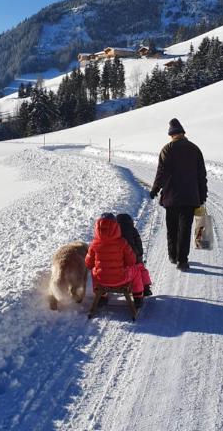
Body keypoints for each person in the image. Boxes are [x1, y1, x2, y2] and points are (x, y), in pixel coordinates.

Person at [149, 118, 207, 271]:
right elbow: (201, 176)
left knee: (172, 228)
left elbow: (161, 173)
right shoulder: (195, 149)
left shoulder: (167, 149)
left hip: (171, 197)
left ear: (172, 135)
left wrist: (155, 189)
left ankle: (173, 255)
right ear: (183, 133)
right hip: (189, 197)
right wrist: (202, 195)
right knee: (185, 229)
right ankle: (182, 261)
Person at [85, 213, 136, 304]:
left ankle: (101, 296)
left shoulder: (94, 244)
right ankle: (138, 294)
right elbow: (131, 262)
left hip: (101, 281)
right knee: (135, 269)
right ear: (116, 227)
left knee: (94, 270)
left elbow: (88, 264)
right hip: (121, 279)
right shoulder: (122, 243)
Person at [116, 213, 152, 297]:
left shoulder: (115, 231)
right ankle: (146, 287)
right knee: (141, 269)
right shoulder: (133, 230)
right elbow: (138, 243)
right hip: (133, 255)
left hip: (120, 259)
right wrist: (140, 253)